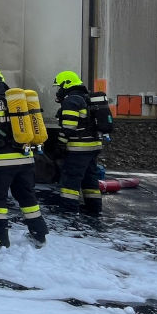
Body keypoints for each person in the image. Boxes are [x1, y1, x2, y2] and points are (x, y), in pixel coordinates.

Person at [0, 66, 49, 248]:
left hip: (0, 162)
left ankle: (0, 237)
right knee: (27, 198)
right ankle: (39, 234)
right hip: (25, 159)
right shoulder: (17, 101)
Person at [52, 70, 104, 215]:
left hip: (79, 148)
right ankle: (94, 208)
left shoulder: (72, 100)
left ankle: (68, 210)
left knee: (71, 179)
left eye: (59, 87)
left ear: (67, 84)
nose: (58, 91)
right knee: (90, 179)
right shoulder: (86, 98)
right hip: (93, 146)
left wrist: (61, 144)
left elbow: (69, 126)